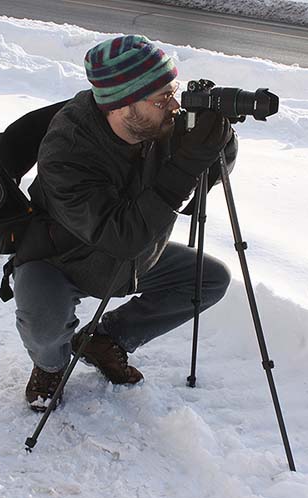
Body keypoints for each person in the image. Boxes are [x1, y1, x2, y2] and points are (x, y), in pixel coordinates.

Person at [12, 34, 237, 411]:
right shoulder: (66, 149)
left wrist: (219, 143)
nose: (174, 106)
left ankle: (103, 340)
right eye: (162, 98)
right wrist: (183, 166)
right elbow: (119, 236)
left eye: (174, 91)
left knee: (209, 279)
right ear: (120, 106)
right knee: (43, 322)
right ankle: (49, 366)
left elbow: (207, 177)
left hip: (131, 259)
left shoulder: (158, 125)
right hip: (60, 259)